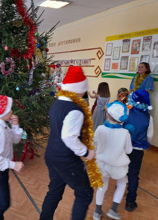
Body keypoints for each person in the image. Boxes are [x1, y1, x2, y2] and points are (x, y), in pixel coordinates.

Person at [40, 66, 95, 220]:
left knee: (54, 191)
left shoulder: (56, 104)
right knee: (85, 193)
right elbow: (68, 137)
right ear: (80, 90)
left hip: (52, 155)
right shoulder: (75, 110)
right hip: (65, 160)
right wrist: (85, 152)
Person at [93, 101, 132, 220]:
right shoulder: (125, 132)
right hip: (117, 165)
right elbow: (129, 151)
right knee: (121, 184)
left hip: (101, 163)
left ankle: (97, 211)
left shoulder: (99, 129)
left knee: (102, 186)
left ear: (107, 115)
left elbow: (93, 145)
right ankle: (113, 209)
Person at [123, 89, 154, 212]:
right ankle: (130, 202)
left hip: (124, 147)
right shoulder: (149, 117)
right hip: (138, 149)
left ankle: (120, 188)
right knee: (134, 174)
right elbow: (150, 135)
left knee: (123, 167)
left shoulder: (127, 112)